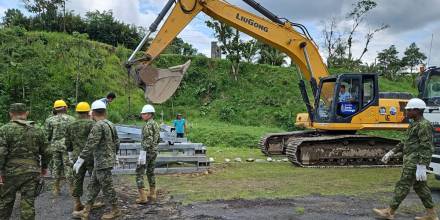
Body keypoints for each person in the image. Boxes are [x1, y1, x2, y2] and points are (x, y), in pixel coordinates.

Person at [373, 98, 438, 220]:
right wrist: (391, 152)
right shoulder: (414, 124)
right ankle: (431, 214)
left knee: (403, 185)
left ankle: (390, 211)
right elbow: (405, 142)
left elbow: (426, 147)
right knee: (420, 187)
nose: (406, 112)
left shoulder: (424, 125)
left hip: (415, 162)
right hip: (412, 160)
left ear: (416, 110)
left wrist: (422, 166)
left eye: (408, 110)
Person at [72, 100, 121, 219]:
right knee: (93, 186)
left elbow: (90, 144)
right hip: (103, 161)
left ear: (92, 113)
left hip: (102, 162)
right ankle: (86, 211)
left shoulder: (98, 126)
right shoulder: (110, 123)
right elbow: (117, 142)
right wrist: (114, 155)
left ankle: (115, 211)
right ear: (105, 112)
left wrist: (80, 160)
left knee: (107, 187)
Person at [0, 103, 50, 219]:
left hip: (10, 173)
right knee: (28, 205)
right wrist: (44, 167)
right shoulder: (37, 130)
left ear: (10, 114)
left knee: (5, 203)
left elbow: (1, 153)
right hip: (31, 172)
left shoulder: (4, 130)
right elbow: (47, 152)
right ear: (26, 113)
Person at [66, 102, 104, 212]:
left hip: (77, 157)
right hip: (91, 156)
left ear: (77, 112)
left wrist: (70, 156)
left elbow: (68, 144)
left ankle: (77, 203)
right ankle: (91, 202)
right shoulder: (93, 124)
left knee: (77, 180)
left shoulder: (71, 125)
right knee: (94, 180)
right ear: (89, 112)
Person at [45, 99, 75, 196]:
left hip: (54, 147)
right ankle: (71, 189)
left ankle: (56, 189)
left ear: (55, 109)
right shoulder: (72, 119)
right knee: (68, 166)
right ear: (65, 108)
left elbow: (47, 136)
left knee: (55, 167)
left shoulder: (49, 120)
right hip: (67, 146)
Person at [135, 104, 160, 204]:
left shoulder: (147, 125)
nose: (142, 115)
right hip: (154, 151)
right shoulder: (155, 124)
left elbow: (148, 139)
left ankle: (143, 197)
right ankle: (152, 193)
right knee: (150, 172)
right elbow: (157, 139)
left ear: (150, 114)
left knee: (139, 173)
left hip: (147, 152)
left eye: (144, 113)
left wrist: (143, 152)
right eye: (142, 113)